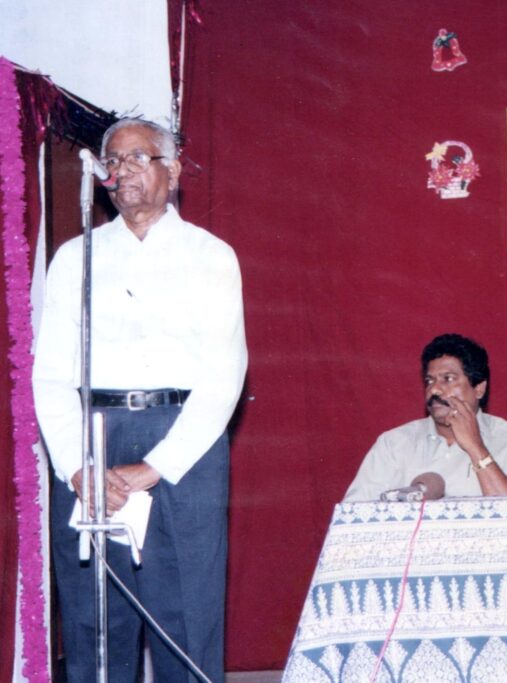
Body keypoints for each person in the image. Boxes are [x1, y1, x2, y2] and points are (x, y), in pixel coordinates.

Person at [33, 118, 247, 682]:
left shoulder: (211, 255)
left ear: (172, 171)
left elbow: (224, 377)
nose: (121, 171)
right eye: (113, 161)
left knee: (185, 618)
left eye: (137, 158)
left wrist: (156, 467)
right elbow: (50, 376)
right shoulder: (75, 257)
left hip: (182, 442)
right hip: (93, 441)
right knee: (95, 623)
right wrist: (77, 467)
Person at [344, 333, 507, 501]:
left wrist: (475, 447)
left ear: (479, 389)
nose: (434, 390)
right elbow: (353, 517)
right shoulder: (394, 443)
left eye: (448, 379)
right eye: (430, 381)